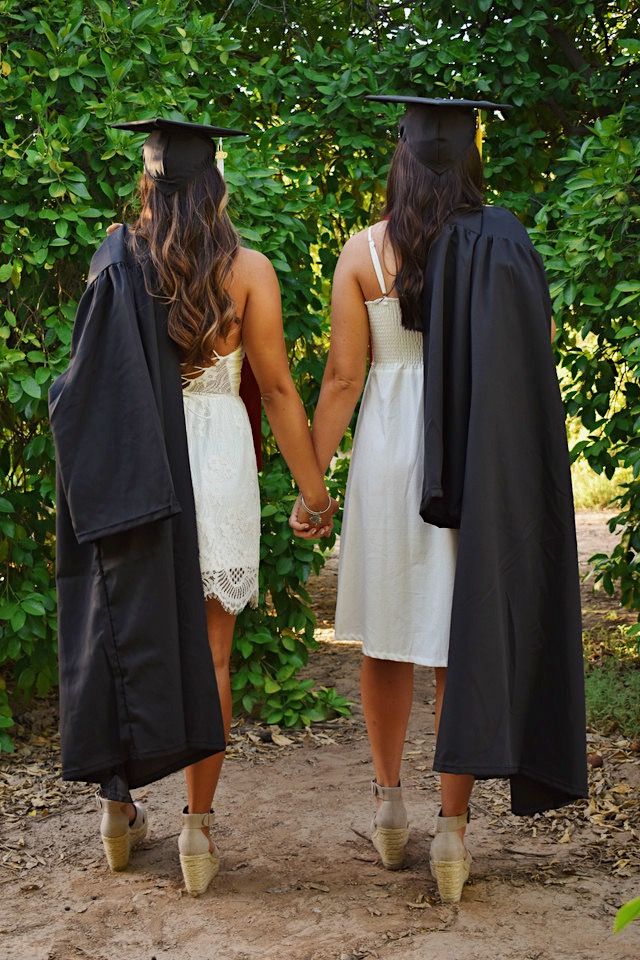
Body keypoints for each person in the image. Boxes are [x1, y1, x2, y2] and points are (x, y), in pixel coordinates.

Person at [291, 95, 587, 904]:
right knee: (460, 635)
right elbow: (536, 346)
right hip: (469, 450)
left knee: (386, 638)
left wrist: (312, 488)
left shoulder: (364, 252)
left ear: (402, 158)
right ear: (469, 160)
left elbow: (344, 380)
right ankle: (452, 832)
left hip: (391, 458)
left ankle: (390, 806)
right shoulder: (500, 242)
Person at [50, 117, 336, 897]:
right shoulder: (248, 270)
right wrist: (314, 494)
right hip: (214, 462)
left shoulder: (115, 255)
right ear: (217, 184)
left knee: (127, 628)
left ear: (148, 181)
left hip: (138, 460)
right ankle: (197, 835)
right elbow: (276, 391)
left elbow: (93, 377)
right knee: (210, 653)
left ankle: (118, 813)